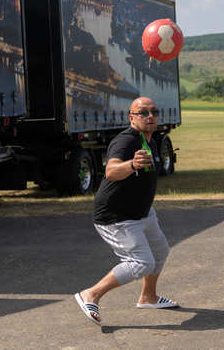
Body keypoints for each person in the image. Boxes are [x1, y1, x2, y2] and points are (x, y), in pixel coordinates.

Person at [75, 97, 178, 326]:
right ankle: (90, 294)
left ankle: (148, 297)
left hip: (142, 213)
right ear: (131, 118)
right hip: (116, 215)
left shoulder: (149, 139)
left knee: (160, 252)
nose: (150, 116)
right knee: (142, 263)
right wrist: (131, 164)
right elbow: (111, 171)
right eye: (143, 113)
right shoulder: (127, 140)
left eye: (154, 111)